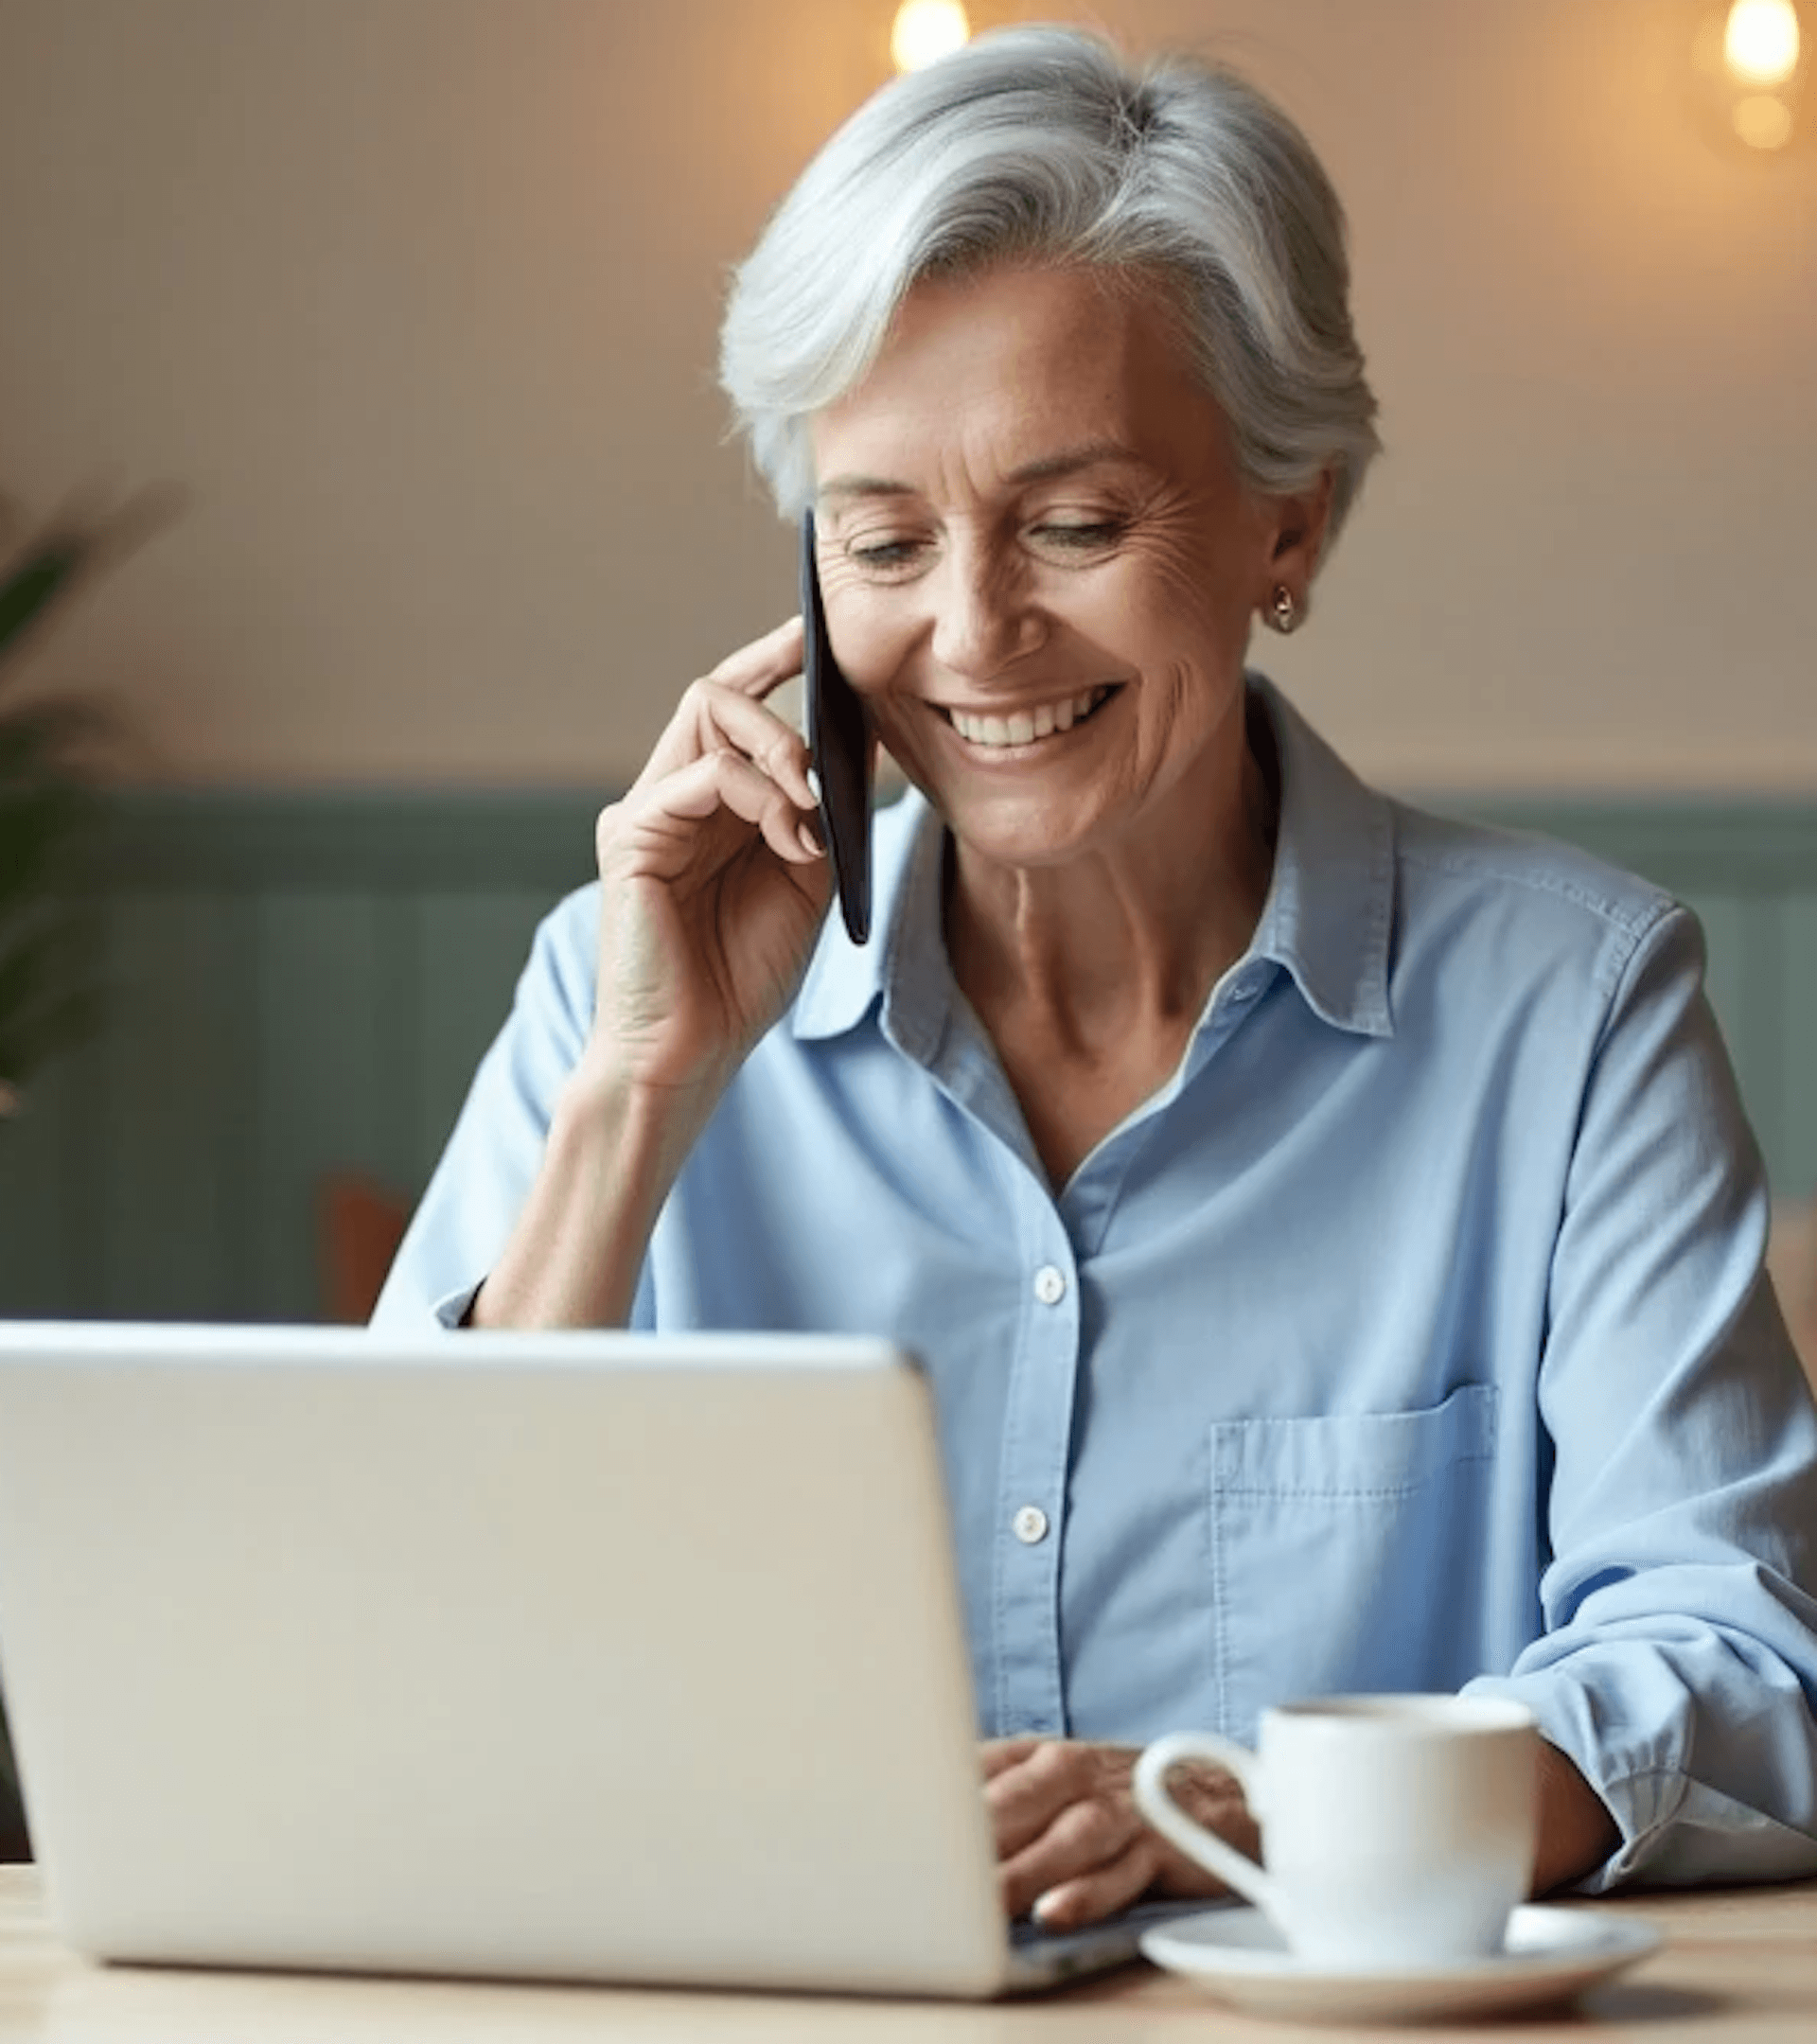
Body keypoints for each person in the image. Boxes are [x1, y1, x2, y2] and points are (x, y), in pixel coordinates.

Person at [374, 26, 1817, 1927]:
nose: (974, 633)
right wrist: (640, 1092)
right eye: (882, 537)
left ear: (1286, 521)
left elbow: (1746, 1670)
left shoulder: (1575, 1011)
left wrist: (1230, 1805)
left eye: (1074, 523)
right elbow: (392, 1673)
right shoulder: (614, 991)